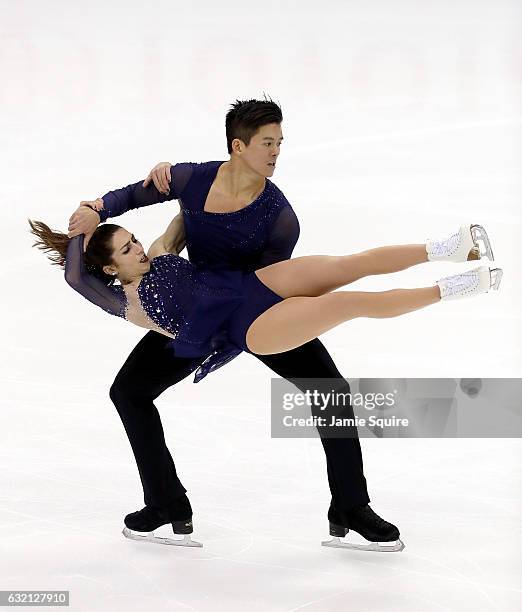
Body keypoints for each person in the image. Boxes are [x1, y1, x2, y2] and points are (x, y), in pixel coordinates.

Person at [54, 98, 500, 553]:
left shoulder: (278, 215)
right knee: (129, 392)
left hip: (255, 303)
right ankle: (166, 503)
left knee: (331, 388)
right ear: (238, 145)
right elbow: (137, 201)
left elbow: (276, 284)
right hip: (194, 324)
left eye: (279, 143)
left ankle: (351, 506)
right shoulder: (191, 181)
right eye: (268, 142)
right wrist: (97, 206)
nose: (276, 152)